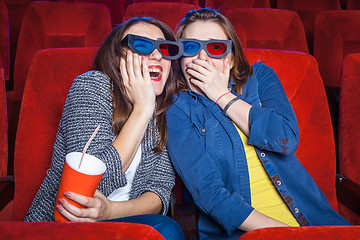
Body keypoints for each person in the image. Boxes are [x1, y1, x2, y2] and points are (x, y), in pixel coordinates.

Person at [166, 8, 350, 240]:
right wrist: (288, 235)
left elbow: (285, 139)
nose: (202, 58)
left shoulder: (261, 77)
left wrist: (221, 95)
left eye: (215, 48)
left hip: (312, 222)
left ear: (231, 58)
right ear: (180, 57)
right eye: (191, 47)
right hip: (247, 233)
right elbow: (210, 194)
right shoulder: (175, 107)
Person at [24, 17, 185, 240]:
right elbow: (87, 187)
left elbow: (159, 193)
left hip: (123, 222)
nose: (157, 55)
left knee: (166, 230)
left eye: (165, 48)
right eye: (142, 45)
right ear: (119, 56)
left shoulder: (167, 109)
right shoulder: (92, 86)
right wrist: (142, 110)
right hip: (66, 223)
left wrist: (110, 210)